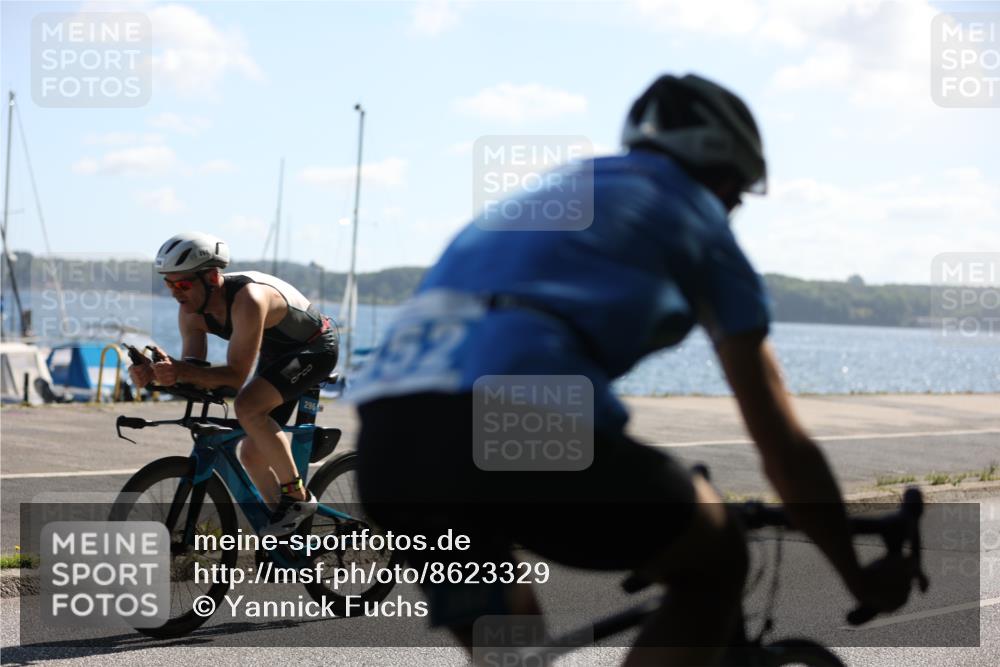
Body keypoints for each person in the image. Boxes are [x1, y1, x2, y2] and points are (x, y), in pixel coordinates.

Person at [350, 74, 914, 665]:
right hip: (511, 426)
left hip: (390, 446)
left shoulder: (559, 187)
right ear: (724, 178)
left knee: (511, 652)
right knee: (717, 555)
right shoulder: (695, 214)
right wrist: (857, 577)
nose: (731, 210)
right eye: (738, 196)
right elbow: (783, 445)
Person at [128, 232, 338, 537]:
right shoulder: (190, 313)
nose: (175, 293)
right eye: (168, 284)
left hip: (315, 348)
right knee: (252, 453)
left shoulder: (248, 300)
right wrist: (156, 374)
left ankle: (298, 498)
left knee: (248, 407)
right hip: (276, 354)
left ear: (212, 278)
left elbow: (236, 377)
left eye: (183, 285)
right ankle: (287, 535)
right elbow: (196, 373)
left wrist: (181, 370)